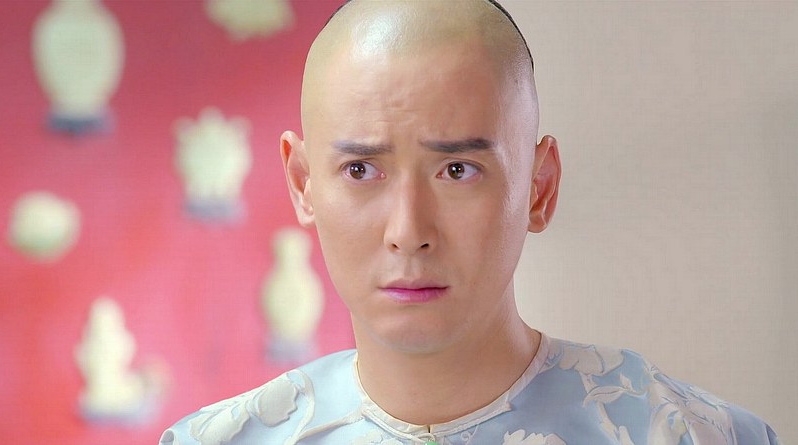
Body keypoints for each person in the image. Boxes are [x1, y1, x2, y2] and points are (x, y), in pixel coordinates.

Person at [160, 1, 779, 444]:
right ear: (303, 184)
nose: (408, 231)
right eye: (361, 170)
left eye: (457, 170)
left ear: (539, 186)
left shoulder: (687, 434)